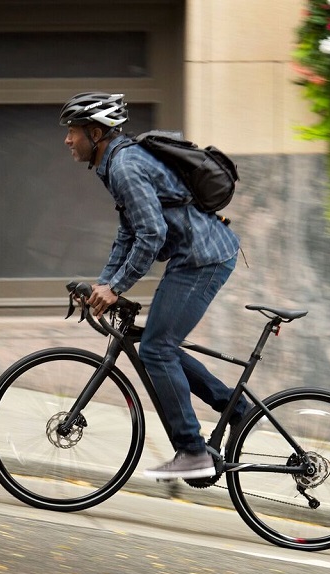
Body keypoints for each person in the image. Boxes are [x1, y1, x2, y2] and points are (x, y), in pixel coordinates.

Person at [60, 91, 247, 480]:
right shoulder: (116, 164)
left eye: (73, 131)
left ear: (95, 133)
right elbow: (128, 233)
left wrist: (117, 286)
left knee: (158, 349)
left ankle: (192, 452)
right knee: (157, 347)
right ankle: (237, 409)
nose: (67, 140)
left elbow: (151, 234)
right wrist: (106, 283)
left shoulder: (125, 166)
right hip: (193, 257)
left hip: (203, 259)